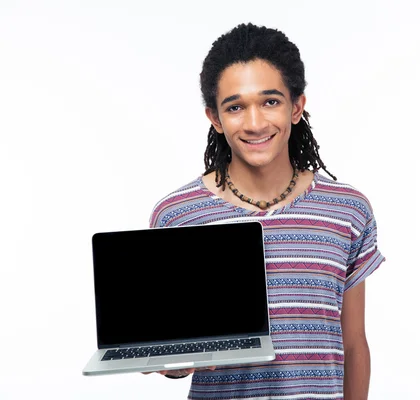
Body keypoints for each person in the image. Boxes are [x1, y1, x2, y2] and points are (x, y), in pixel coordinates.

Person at [147, 22, 385, 400]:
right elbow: (173, 356)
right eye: (236, 107)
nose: (255, 123)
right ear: (215, 118)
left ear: (297, 106)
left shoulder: (347, 210)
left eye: (270, 101)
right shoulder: (177, 215)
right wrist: (174, 363)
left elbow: (354, 343)